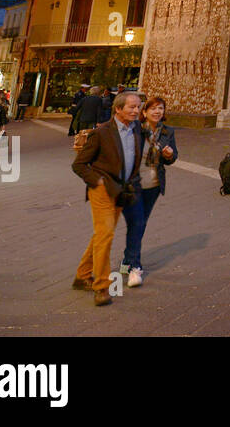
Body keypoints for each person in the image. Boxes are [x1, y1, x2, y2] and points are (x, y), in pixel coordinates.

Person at [71, 90, 145, 306]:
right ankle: (101, 286)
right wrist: (97, 181)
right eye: (131, 107)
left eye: (138, 107)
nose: (135, 110)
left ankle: (83, 275)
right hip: (102, 189)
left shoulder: (137, 128)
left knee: (102, 234)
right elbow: (78, 165)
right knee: (106, 235)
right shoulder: (102, 132)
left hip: (122, 189)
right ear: (118, 108)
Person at [120, 96, 177, 288]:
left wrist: (169, 155)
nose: (157, 112)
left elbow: (173, 157)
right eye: (153, 108)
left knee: (139, 223)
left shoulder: (168, 131)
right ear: (144, 112)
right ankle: (135, 267)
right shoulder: (135, 129)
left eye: (160, 108)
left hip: (153, 184)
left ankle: (127, 261)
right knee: (137, 223)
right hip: (133, 184)